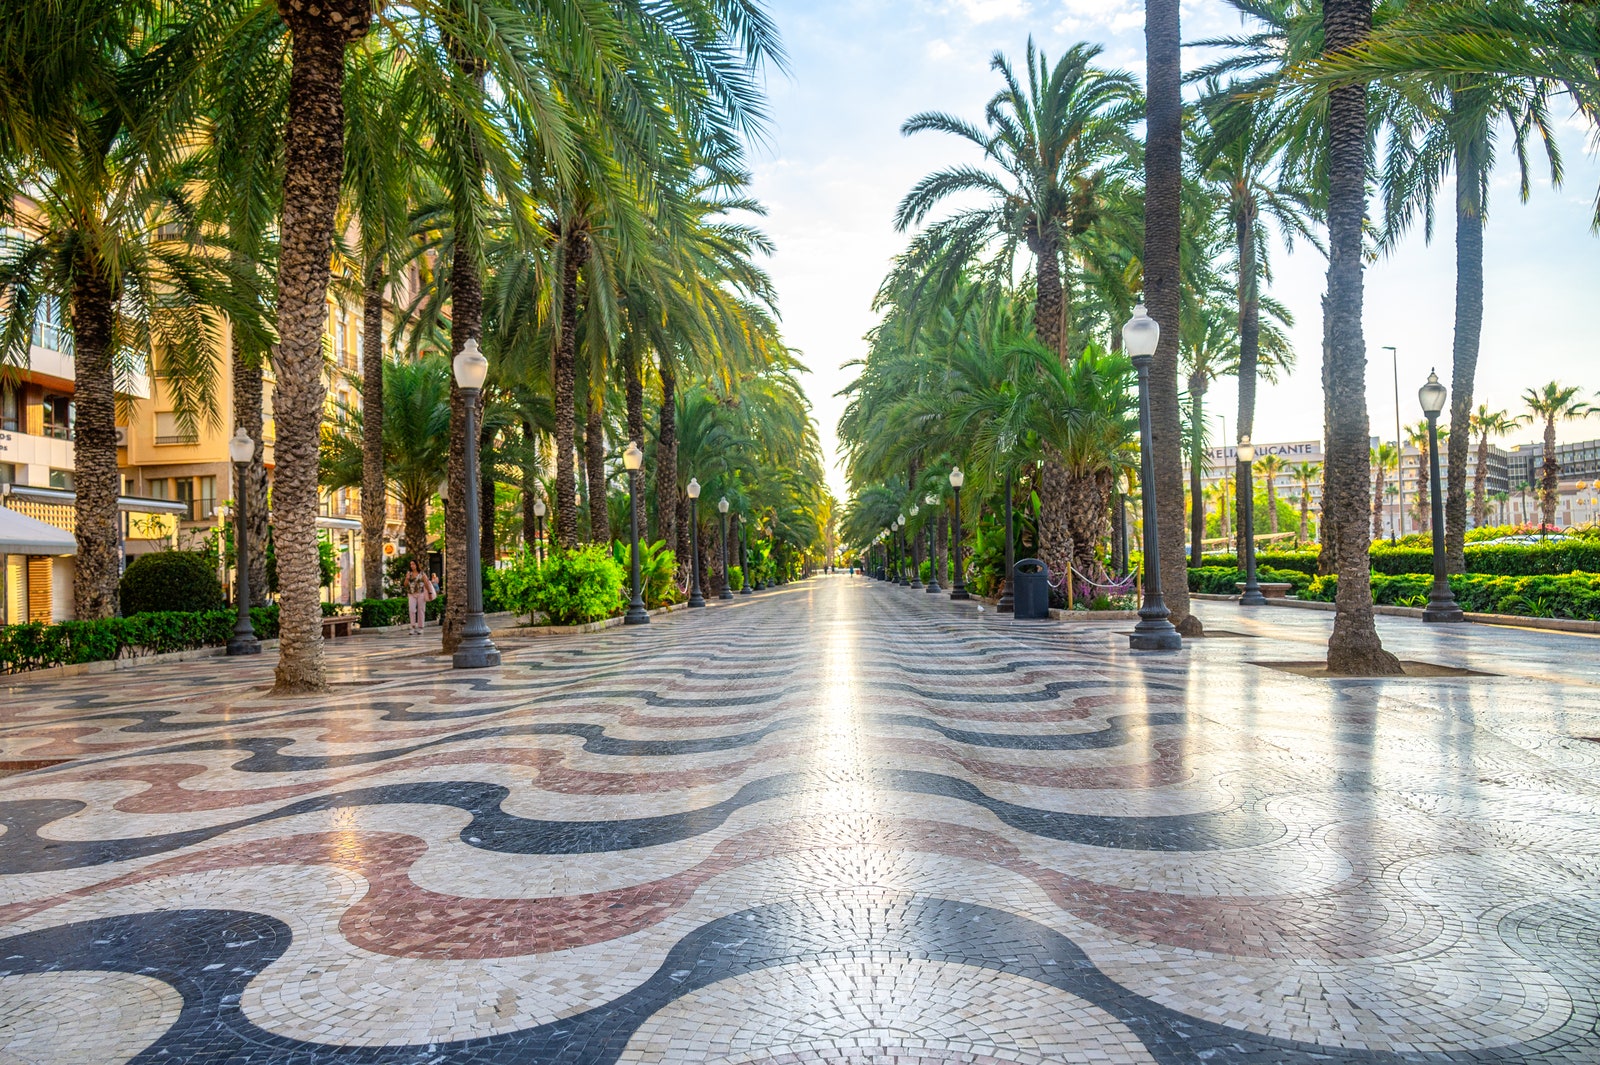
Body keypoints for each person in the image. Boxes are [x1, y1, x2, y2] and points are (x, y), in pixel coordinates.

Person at [404, 559, 434, 635]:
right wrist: (407, 578)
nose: (412, 566)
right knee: (411, 610)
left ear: (416, 565)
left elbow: (426, 583)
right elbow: (405, 584)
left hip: (421, 593)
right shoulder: (409, 573)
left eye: (413, 564)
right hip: (411, 594)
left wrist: (430, 592)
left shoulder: (422, 574)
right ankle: (413, 627)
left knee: (421, 610)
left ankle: (420, 627)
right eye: (411, 564)